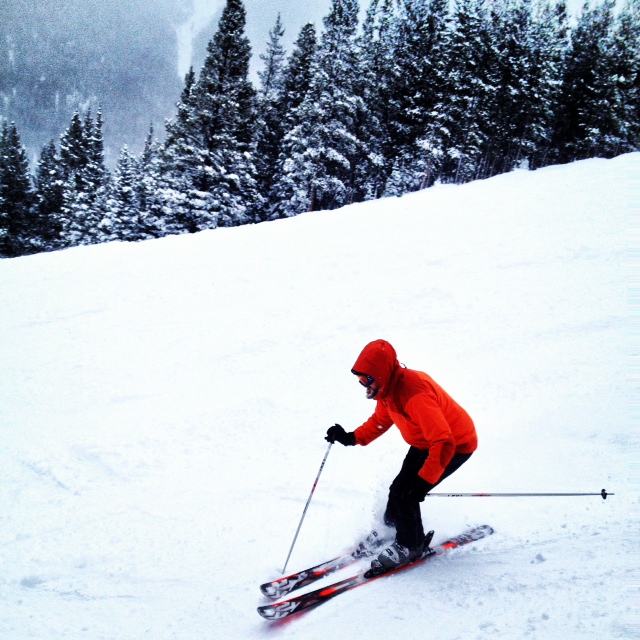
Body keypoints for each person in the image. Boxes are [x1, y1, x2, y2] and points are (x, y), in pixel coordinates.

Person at [325, 339, 478, 573]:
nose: (363, 385)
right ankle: (391, 530)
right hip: (425, 441)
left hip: (455, 444)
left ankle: (410, 545)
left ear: (382, 374)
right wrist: (351, 437)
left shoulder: (414, 394)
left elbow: (444, 441)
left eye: (366, 379)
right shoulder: (388, 390)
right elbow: (380, 421)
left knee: (408, 493)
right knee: (397, 488)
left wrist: (425, 480)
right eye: (360, 380)